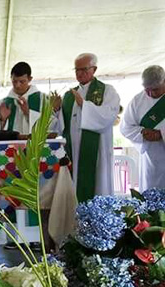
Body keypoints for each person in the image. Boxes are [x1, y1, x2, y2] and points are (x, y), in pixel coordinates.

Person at [53, 53, 120, 202]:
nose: (79, 73)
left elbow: (108, 116)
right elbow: (60, 127)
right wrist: (56, 109)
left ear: (94, 69)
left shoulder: (107, 91)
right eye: (76, 70)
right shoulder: (69, 95)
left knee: (98, 186)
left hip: (97, 151)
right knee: (76, 187)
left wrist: (84, 105)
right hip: (74, 152)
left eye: (84, 69)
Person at [120, 65, 165, 191]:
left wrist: (161, 134)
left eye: (155, 90)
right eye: (147, 90)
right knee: (152, 199)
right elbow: (125, 127)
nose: (150, 94)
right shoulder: (137, 100)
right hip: (150, 162)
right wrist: (142, 132)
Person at [0, 62, 59, 138]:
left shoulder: (43, 99)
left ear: (30, 79)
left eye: (22, 81)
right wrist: (3, 120)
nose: (17, 85)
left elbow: (52, 124)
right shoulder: (3, 103)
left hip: (35, 146)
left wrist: (28, 113)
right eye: (14, 81)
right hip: (12, 147)